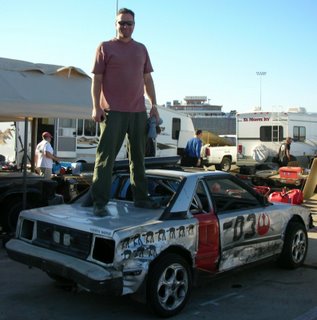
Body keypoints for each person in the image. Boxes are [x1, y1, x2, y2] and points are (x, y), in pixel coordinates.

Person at [90, 8, 160, 216]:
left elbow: (148, 79)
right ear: (115, 24)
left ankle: (141, 198)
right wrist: (96, 106)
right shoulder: (105, 47)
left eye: (129, 23)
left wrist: (154, 106)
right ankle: (99, 203)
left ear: (134, 26)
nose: (125, 26)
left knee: (138, 158)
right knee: (106, 158)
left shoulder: (141, 49)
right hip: (113, 112)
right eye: (121, 23)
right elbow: (97, 79)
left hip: (138, 111)